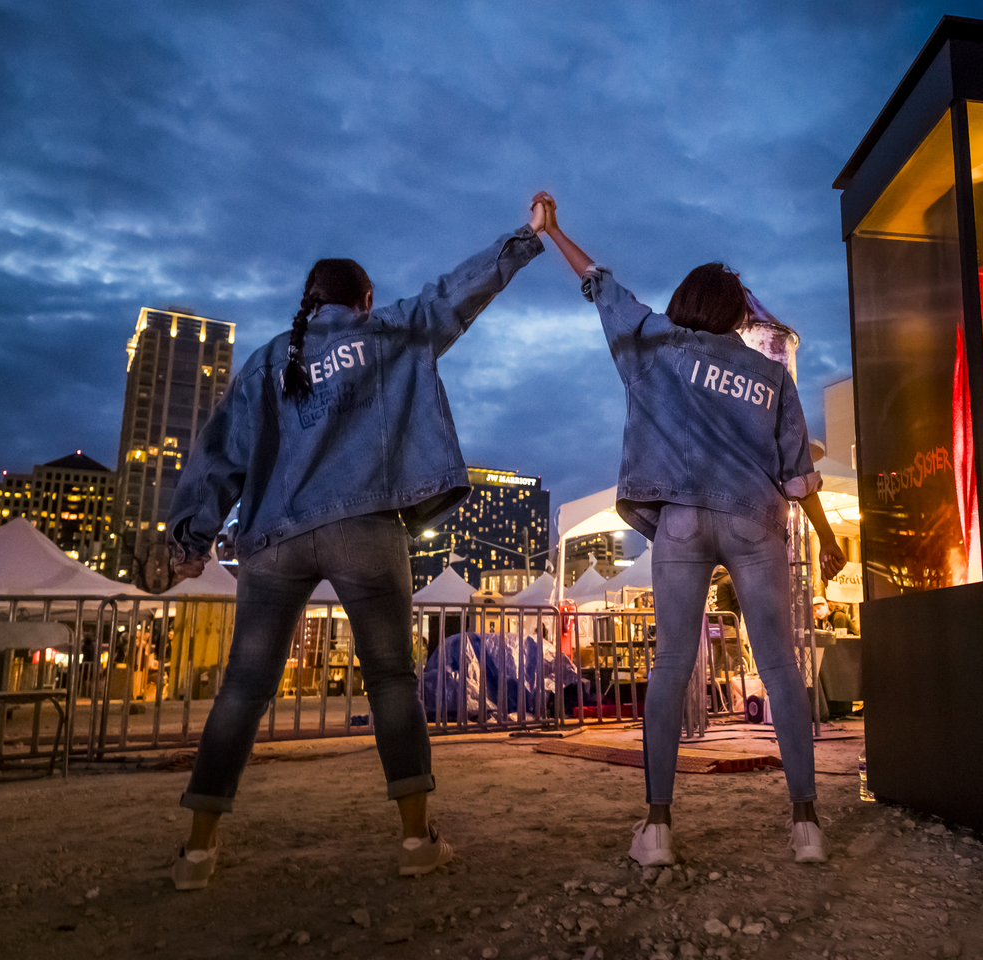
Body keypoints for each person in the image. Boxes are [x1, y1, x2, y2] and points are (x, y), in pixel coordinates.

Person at [163, 197, 550, 890]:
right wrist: (524, 239)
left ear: (308, 303)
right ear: (364, 300)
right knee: (392, 679)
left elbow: (216, 455)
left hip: (275, 538)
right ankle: (414, 840)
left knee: (244, 688)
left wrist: (191, 540)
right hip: (366, 528)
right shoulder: (389, 333)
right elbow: (454, 296)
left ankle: (197, 851)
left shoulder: (263, 364)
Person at [537, 194, 846, 865]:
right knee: (781, 668)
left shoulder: (656, 344)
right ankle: (806, 826)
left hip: (679, 518)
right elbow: (797, 475)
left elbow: (601, 286)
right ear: (737, 313)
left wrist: (555, 228)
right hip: (751, 519)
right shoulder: (769, 375)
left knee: (673, 665)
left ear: (688, 302)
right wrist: (825, 537)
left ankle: (657, 830)